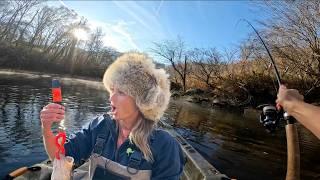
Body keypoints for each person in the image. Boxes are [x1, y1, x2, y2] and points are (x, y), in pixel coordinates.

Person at [40, 52, 184, 179]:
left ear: (142, 101)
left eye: (121, 92)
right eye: (112, 89)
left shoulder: (164, 145)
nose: (111, 98)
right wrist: (46, 129)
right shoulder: (100, 125)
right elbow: (59, 156)